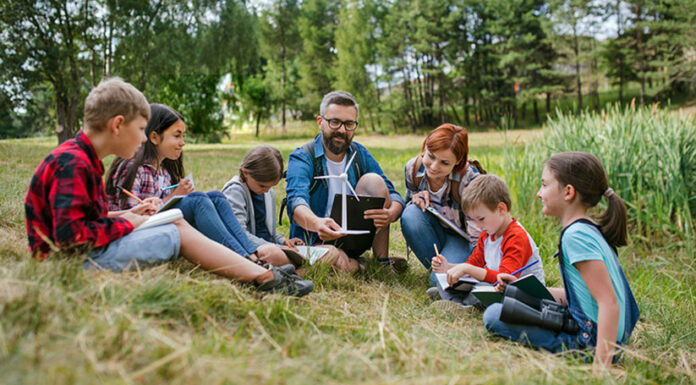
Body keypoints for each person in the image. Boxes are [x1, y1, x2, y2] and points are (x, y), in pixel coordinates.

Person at [25, 77, 312, 297]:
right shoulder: (74, 164)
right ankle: (262, 277)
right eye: (139, 130)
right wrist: (130, 223)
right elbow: (71, 239)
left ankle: (259, 272)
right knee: (175, 231)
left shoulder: (81, 159)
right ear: (117, 125)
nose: (141, 139)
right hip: (69, 265)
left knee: (175, 221)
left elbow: (86, 221)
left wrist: (129, 215)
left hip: (79, 255)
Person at [483, 152, 640, 370]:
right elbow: (585, 296)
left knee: (493, 315)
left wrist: (600, 368)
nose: (539, 194)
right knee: (512, 301)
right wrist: (526, 290)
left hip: (590, 343)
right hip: (602, 334)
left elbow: (609, 303)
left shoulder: (576, 237)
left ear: (568, 192)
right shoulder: (587, 229)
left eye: (544, 185)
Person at [105, 104, 292, 268]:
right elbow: (132, 217)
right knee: (197, 201)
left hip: (162, 223)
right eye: (177, 136)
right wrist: (172, 198)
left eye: (183, 136)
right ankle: (246, 260)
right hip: (136, 234)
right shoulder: (133, 168)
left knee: (216, 197)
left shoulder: (163, 171)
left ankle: (253, 253)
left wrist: (173, 197)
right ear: (154, 137)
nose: (182, 142)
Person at [285, 90, 406, 272]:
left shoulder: (359, 154)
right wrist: (318, 223)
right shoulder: (304, 157)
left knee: (375, 181)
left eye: (349, 124)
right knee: (333, 255)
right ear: (320, 122)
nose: (342, 130)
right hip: (314, 239)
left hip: (353, 238)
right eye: (335, 122)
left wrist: (390, 214)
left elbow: (393, 193)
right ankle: (357, 265)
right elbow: (296, 203)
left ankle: (381, 263)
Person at [431, 174, 544, 308]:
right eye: (473, 220)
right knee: (448, 279)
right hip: (495, 286)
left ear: (501, 209)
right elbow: (474, 263)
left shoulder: (516, 237)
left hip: (519, 294)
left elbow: (504, 280)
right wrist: (448, 267)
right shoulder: (488, 233)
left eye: (481, 219)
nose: (478, 226)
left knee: (481, 289)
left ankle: (458, 303)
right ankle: (454, 297)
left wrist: (467, 269)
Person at [221, 145, 342, 264]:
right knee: (270, 253)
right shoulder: (235, 191)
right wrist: (277, 247)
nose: (267, 190)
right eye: (262, 185)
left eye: (271, 186)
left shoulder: (267, 193)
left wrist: (286, 242)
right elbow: (239, 235)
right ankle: (296, 269)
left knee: (331, 251)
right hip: (252, 251)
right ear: (245, 172)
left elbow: (270, 234)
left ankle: (293, 273)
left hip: (272, 248)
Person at [400, 123, 485, 286]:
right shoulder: (413, 168)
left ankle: (441, 276)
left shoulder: (469, 180)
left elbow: (480, 235)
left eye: (444, 163)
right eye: (431, 156)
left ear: (458, 161)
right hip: (433, 232)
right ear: (425, 146)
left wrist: (476, 269)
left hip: (463, 239)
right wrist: (415, 200)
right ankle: (438, 270)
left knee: (439, 283)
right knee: (411, 212)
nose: (433, 167)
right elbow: (407, 212)